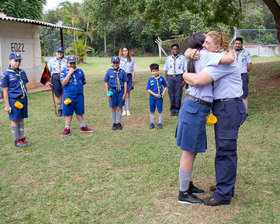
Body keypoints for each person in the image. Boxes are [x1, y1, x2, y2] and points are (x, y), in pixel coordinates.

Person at [183, 31, 246, 206]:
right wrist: (189, 52)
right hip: (224, 107)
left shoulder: (220, 61)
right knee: (224, 148)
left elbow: (197, 80)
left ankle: (223, 195)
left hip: (229, 107)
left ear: (218, 47)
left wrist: (184, 75)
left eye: (208, 43)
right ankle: (224, 186)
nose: (204, 46)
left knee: (225, 150)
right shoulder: (215, 56)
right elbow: (192, 52)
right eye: (204, 43)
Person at [0, 53, 31, 147]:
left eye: (19, 61)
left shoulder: (22, 72)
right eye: (15, 61)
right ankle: (16, 140)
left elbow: (24, 85)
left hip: (23, 99)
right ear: (10, 60)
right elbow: (5, 91)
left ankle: (22, 138)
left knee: (21, 119)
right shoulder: (6, 74)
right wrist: (7, 105)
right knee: (14, 119)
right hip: (14, 100)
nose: (17, 63)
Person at [60, 56, 93, 137]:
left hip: (79, 95)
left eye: (73, 63)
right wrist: (69, 73)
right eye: (70, 63)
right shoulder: (63, 72)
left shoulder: (80, 71)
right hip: (69, 96)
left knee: (80, 111)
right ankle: (67, 129)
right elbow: (63, 83)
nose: (72, 65)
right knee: (68, 113)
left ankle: (83, 127)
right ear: (67, 63)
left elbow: (84, 82)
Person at [104, 56, 128, 131]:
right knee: (113, 107)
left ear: (119, 63)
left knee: (119, 107)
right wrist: (107, 93)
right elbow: (106, 83)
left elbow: (125, 83)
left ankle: (119, 122)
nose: (115, 64)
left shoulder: (122, 72)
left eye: (117, 62)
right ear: (111, 63)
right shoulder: (108, 71)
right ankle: (114, 123)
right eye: (114, 63)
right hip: (112, 91)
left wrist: (124, 93)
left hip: (120, 91)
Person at [164, 44, 187, 116]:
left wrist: (184, 80)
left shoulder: (182, 58)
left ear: (178, 50)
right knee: (171, 94)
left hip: (179, 77)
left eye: (177, 49)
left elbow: (185, 70)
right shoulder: (168, 58)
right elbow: (166, 70)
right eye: (174, 49)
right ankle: (172, 110)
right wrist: (166, 80)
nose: (175, 50)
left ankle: (178, 109)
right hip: (170, 77)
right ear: (171, 50)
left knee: (178, 94)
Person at [234, 37, 252, 119]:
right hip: (233, 77)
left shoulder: (246, 53)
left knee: (244, 95)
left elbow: (249, 65)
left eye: (239, 44)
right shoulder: (231, 53)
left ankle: (244, 114)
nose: (237, 45)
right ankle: (236, 112)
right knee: (234, 95)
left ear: (242, 44)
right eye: (236, 43)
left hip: (243, 76)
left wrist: (244, 71)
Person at [146, 63, 168, 129]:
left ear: (158, 70)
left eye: (156, 70)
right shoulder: (150, 79)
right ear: (151, 72)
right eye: (153, 71)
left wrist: (163, 93)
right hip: (152, 97)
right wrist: (155, 94)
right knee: (152, 110)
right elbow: (148, 89)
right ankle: (152, 123)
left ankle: (160, 122)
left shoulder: (161, 78)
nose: (155, 72)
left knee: (160, 110)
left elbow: (166, 86)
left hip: (159, 98)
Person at [47, 46, 67, 117]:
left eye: (61, 52)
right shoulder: (51, 61)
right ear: (55, 53)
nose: (59, 53)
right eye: (58, 52)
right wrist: (47, 80)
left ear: (63, 53)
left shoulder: (66, 61)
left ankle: (65, 109)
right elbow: (48, 71)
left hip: (64, 77)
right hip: (55, 77)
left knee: (64, 93)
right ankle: (59, 110)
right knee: (57, 94)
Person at [119, 46, 136, 116]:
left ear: (128, 51)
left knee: (128, 94)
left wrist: (132, 79)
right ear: (121, 52)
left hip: (128, 76)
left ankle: (128, 110)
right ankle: (124, 110)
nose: (125, 52)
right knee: (122, 93)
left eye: (126, 50)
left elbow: (133, 70)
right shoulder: (120, 59)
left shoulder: (132, 59)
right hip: (122, 77)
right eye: (123, 51)